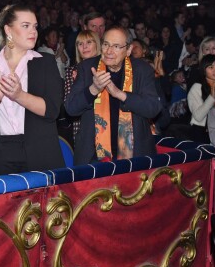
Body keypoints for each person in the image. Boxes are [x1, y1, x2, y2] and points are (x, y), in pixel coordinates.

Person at [0, 4, 64, 177]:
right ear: (8, 30)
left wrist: (19, 96)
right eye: (25, 26)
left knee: (42, 204)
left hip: (39, 151)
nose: (33, 31)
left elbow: (53, 110)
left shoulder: (45, 62)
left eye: (35, 26)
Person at [65, 26, 162, 164]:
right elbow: (70, 108)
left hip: (135, 154)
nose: (109, 51)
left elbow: (153, 108)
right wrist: (93, 89)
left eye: (116, 46)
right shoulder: (87, 68)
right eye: (106, 44)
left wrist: (120, 94)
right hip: (93, 156)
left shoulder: (142, 69)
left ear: (128, 50)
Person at [63, 30, 100, 143]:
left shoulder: (107, 67)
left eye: (89, 42)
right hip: (82, 128)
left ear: (97, 44)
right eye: (80, 44)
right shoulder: (71, 71)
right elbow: (69, 104)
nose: (84, 47)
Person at [187, 55, 215, 143]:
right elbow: (198, 116)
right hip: (201, 133)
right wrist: (212, 96)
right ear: (203, 69)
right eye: (211, 67)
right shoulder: (197, 88)